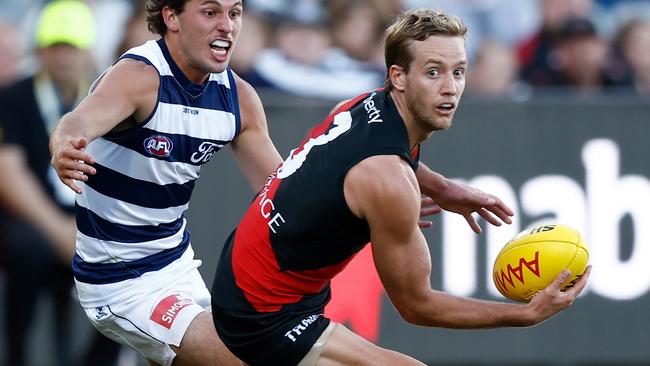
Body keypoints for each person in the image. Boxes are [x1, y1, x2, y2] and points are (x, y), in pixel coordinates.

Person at [51, 1, 518, 365]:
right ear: (171, 18)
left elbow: (280, 186)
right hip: (120, 281)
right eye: (210, 12)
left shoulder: (237, 99)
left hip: (176, 265)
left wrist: (365, 198)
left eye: (234, 13)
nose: (226, 26)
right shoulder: (139, 77)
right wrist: (65, 147)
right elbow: (77, 122)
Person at [210, 8, 592, 366]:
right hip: (262, 317)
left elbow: (362, 153)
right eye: (433, 72)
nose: (449, 88)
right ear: (398, 76)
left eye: (458, 72)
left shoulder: (360, 104)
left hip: (247, 274)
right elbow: (416, 306)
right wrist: (525, 315)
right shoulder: (389, 182)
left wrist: (440, 187)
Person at [0, 2, 121, 365]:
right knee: (28, 248)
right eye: (56, 46)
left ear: (88, 52)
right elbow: (8, 171)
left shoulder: (109, 101)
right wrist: (59, 231)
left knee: (125, 262)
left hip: (87, 218)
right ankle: (16, 355)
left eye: (71, 47)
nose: (64, 57)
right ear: (39, 51)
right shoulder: (13, 98)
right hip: (32, 221)